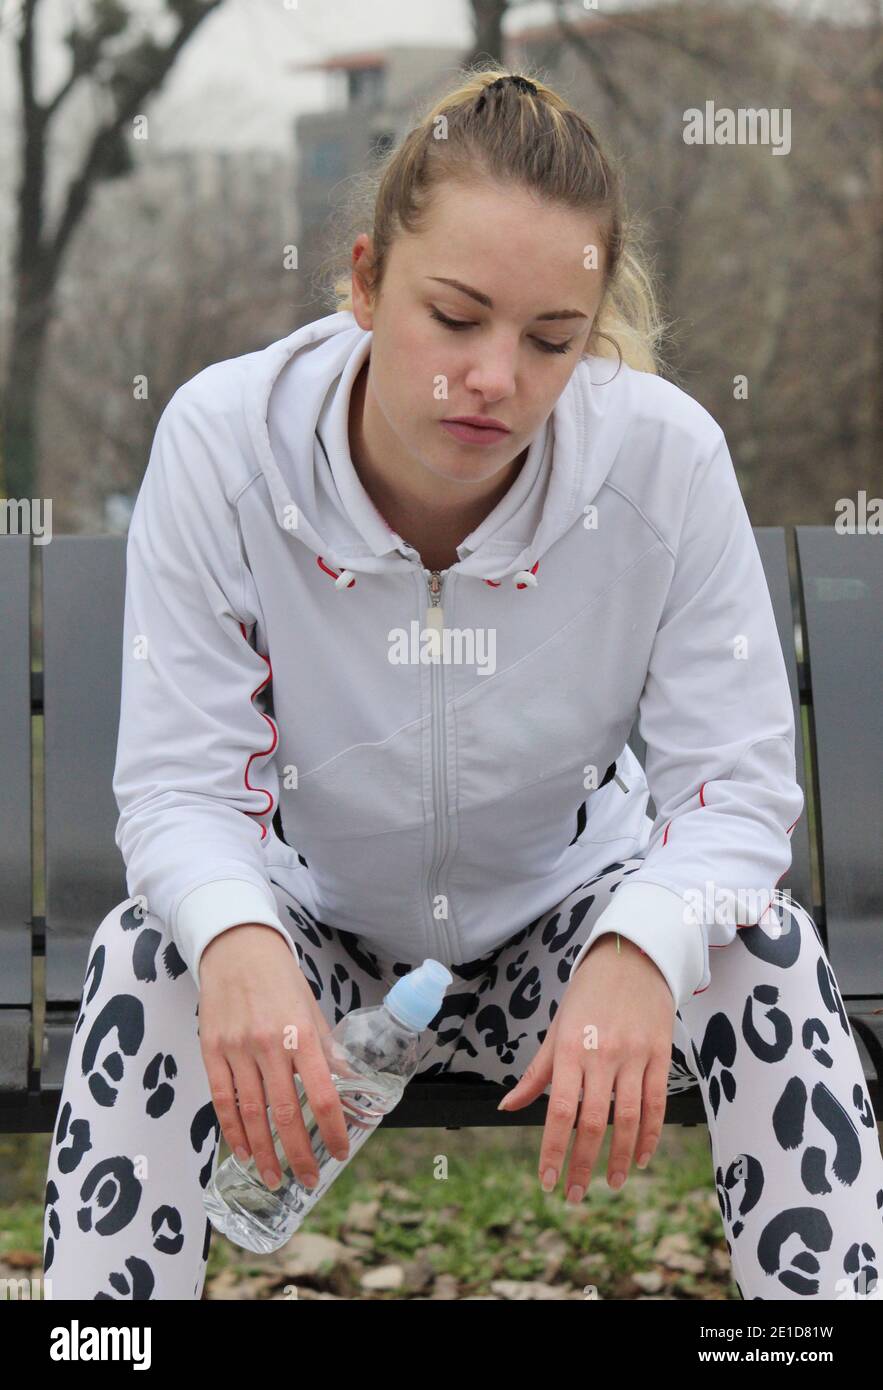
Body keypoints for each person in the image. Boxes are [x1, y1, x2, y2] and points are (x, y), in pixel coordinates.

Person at [43, 66, 882, 1302]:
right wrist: (235, 930)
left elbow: (737, 791)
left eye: (553, 340)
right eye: (456, 316)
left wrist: (643, 945)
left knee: (767, 958)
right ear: (370, 280)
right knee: (145, 960)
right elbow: (177, 784)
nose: (496, 377)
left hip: (563, 928)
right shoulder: (223, 441)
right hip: (315, 929)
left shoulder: (665, 461)